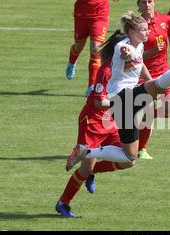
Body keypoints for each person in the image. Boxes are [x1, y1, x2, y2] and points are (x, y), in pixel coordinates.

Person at [66, 11, 170, 175]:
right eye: (143, 30)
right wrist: (128, 54)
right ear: (132, 32)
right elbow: (127, 53)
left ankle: (86, 152)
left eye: (147, 29)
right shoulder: (123, 46)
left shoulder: (140, 45)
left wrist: (146, 75)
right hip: (120, 97)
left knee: (130, 156)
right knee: (157, 86)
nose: (148, 32)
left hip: (126, 103)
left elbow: (139, 60)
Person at [56, 31, 136, 218]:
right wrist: (122, 99)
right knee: (85, 168)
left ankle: (92, 171)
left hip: (112, 120)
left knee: (129, 160)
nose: (129, 50)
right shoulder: (106, 70)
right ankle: (63, 203)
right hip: (92, 122)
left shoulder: (127, 67)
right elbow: (99, 102)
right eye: (126, 46)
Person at [137, 0, 170, 159]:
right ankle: (142, 149)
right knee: (148, 108)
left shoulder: (166, 20)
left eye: (150, 1)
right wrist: (153, 51)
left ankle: (147, 117)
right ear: (138, 4)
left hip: (164, 73)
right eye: (143, 2)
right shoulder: (135, 26)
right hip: (143, 75)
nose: (147, 5)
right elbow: (134, 56)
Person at [65, 0, 119, 94]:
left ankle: (92, 86)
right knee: (78, 46)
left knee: (96, 49)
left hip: (100, 14)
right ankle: (72, 62)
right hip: (82, 13)